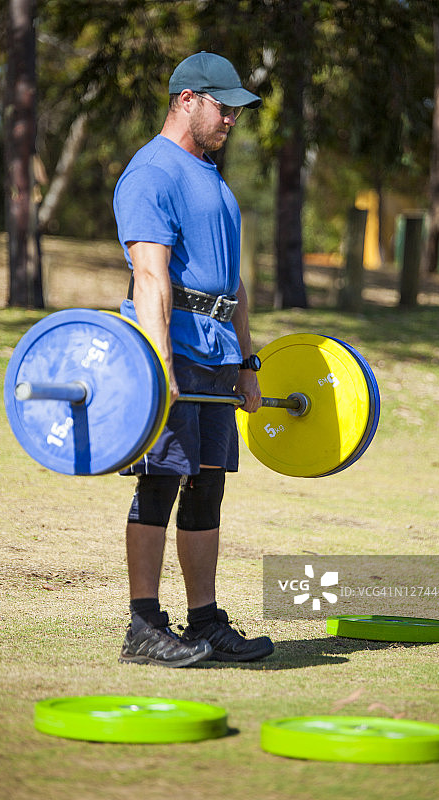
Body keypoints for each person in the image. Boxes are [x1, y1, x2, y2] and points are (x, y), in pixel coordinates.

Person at [113, 52, 274, 667]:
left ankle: (204, 623)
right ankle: (144, 626)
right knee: (160, 483)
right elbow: (151, 278)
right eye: (223, 105)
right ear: (186, 99)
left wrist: (247, 363)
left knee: (207, 488)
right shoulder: (151, 173)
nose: (232, 117)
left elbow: (232, 284)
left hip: (217, 355)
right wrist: (161, 368)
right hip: (171, 351)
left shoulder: (211, 176)